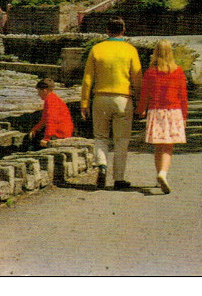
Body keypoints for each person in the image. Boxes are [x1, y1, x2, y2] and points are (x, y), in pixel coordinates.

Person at [81, 18, 142, 190]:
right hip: (123, 99)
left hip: (100, 98)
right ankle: (119, 179)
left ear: (107, 30)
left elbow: (87, 79)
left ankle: (101, 165)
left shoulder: (97, 49)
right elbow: (137, 79)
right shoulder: (130, 50)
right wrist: (139, 101)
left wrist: (84, 103)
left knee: (100, 137)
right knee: (121, 140)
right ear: (123, 30)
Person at [136, 40, 188, 194]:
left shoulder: (151, 72)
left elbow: (144, 93)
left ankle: (159, 174)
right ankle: (163, 173)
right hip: (173, 111)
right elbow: (183, 96)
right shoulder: (178, 71)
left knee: (159, 146)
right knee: (168, 146)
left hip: (156, 111)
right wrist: (184, 116)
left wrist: (141, 110)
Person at [27, 79, 74, 148]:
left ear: (44, 91)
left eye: (39, 91)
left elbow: (51, 120)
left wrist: (46, 138)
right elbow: (44, 120)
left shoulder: (51, 101)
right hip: (60, 131)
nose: (38, 94)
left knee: (33, 142)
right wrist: (35, 129)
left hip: (60, 134)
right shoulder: (51, 98)